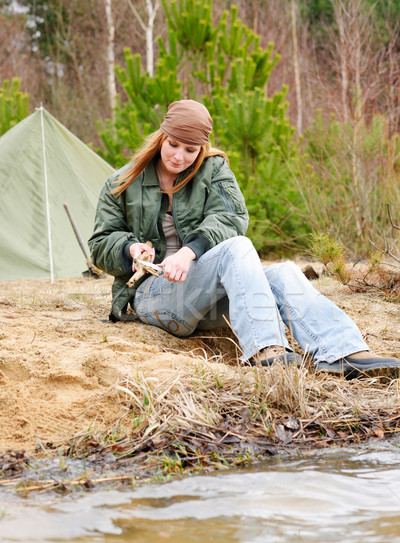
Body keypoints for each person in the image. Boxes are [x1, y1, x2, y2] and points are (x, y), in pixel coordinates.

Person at [89, 99, 400, 380]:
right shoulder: (121, 181)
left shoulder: (214, 169)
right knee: (238, 249)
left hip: (208, 300)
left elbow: (231, 219)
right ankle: (266, 352)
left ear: (202, 149)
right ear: (161, 136)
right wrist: (129, 248)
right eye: (173, 145)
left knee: (284, 271)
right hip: (153, 297)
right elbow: (101, 242)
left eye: (190, 150)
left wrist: (188, 252)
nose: (179, 156)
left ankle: (342, 353)